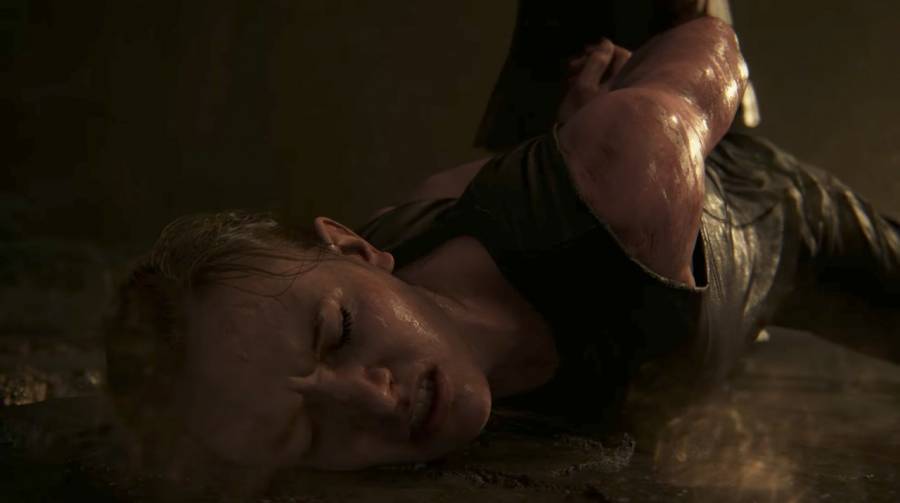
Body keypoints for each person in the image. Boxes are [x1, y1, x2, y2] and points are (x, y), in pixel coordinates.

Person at [104, 16, 900, 479]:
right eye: (304, 431)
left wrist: (627, 108)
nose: (373, 400)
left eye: (339, 333)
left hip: (770, 217)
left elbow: (710, 42)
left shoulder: (623, 184)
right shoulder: (393, 247)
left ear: (355, 249)